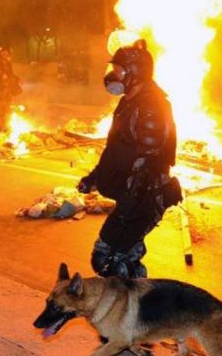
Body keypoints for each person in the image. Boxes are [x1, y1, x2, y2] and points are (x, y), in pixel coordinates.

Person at [77, 39, 182, 279]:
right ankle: (135, 291)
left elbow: (148, 163)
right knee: (112, 259)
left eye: (119, 70)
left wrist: (128, 207)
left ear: (135, 73)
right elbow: (116, 148)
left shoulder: (151, 107)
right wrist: (95, 177)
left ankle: (139, 296)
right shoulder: (129, 102)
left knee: (111, 262)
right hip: (130, 197)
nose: (113, 76)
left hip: (144, 197)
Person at [0, 47, 21, 132]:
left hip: (8, 91)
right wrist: (1, 75)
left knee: (7, 110)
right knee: (1, 111)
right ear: (0, 54)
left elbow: (10, 75)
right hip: (1, 91)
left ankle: (6, 128)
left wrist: (17, 79)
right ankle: (1, 129)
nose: (5, 55)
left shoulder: (8, 63)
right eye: (3, 53)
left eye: (6, 53)